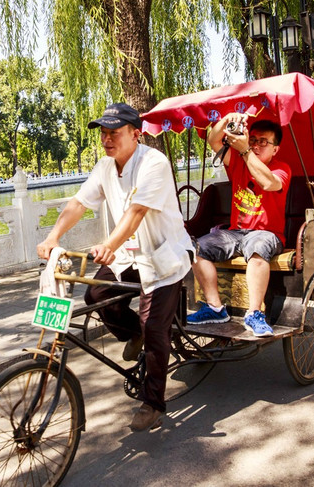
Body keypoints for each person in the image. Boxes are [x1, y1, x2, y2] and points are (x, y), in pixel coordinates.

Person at [37, 102, 193, 432]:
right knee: (96, 296)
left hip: (163, 256)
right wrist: (53, 236)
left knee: (155, 327)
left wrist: (109, 245)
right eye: (104, 134)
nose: (108, 140)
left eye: (115, 133)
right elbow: (79, 203)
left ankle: (153, 402)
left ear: (136, 134)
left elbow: (136, 213)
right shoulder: (105, 167)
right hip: (127, 256)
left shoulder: (154, 163)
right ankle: (133, 333)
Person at [185, 114, 291, 338]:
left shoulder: (282, 168)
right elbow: (214, 141)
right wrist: (225, 120)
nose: (257, 145)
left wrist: (245, 151)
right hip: (235, 232)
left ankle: (254, 313)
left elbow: (268, 183)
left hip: (267, 232)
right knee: (194, 248)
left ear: (275, 149)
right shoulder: (238, 162)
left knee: (257, 248)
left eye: (264, 142)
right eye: (253, 139)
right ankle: (214, 307)